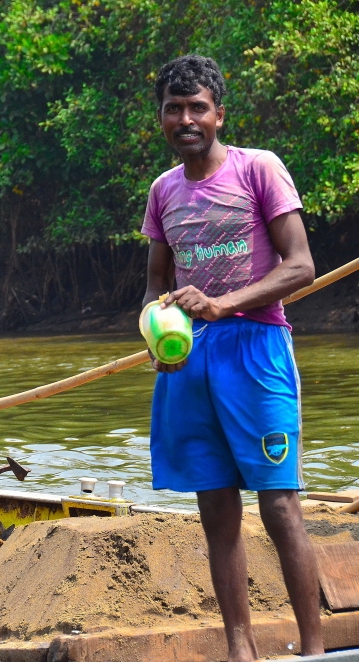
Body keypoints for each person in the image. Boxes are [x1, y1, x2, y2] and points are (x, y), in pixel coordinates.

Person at [141, 54, 321, 661]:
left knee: (279, 501)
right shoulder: (163, 190)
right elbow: (154, 285)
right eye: (175, 108)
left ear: (220, 114)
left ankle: (315, 651)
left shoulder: (259, 169)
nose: (186, 119)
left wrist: (222, 304)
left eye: (198, 108)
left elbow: (300, 266)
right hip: (190, 358)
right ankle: (239, 652)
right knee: (216, 505)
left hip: (256, 347)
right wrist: (156, 337)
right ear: (161, 118)